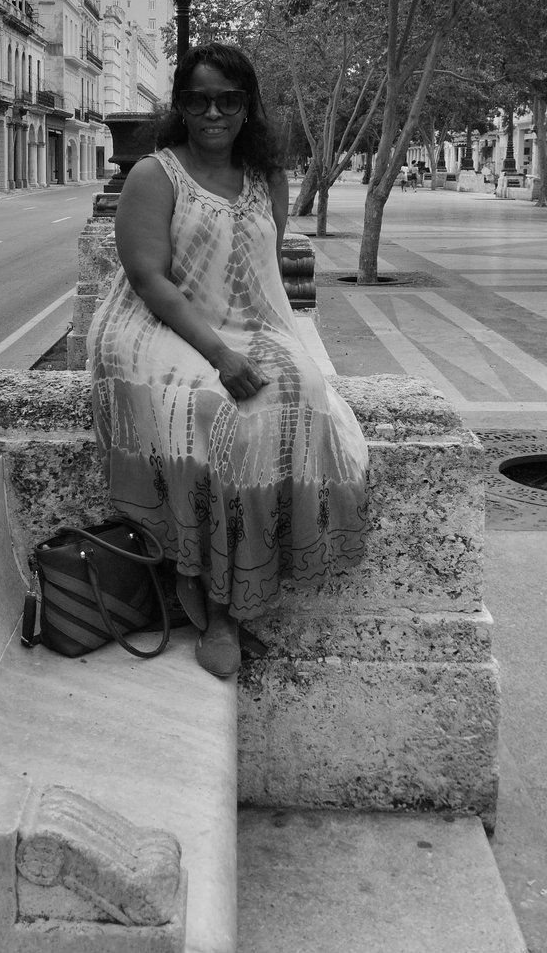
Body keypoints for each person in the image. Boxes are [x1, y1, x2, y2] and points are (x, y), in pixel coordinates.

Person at [86, 43, 369, 678]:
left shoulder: (266, 175)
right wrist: (221, 357)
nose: (213, 111)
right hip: (152, 326)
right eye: (197, 99)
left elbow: (263, 276)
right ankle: (222, 610)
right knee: (232, 417)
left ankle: (249, 579)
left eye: (228, 99)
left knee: (304, 396)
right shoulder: (154, 176)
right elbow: (149, 280)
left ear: (248, 106)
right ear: (179, 106)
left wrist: (284, 349)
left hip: (244, 322)